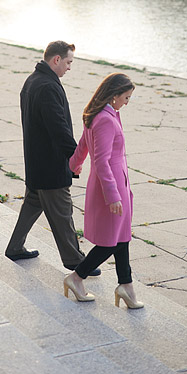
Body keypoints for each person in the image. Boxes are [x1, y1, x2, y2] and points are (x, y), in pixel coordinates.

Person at [5, 41, 99, 275]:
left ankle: (15, 247)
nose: (69, 67)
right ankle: (75, 261)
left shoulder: (33, 80)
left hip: (37, 162)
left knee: (32, 204)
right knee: (63, 212)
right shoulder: (47, 86)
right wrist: (75, 158)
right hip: (50, 164)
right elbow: (58, 129)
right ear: (56, 59)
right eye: (68, 62)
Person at [63, 73, 143, 309]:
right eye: (126, 98)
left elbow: (83, 146)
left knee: (122, 236)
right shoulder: (105, 119)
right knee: (111, 242)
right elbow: (101, 160)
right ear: (114, 95)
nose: (127, 102)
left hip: (118, 185)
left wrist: (74, 166)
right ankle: (76, 278)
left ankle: (126, 286)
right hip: (112, 187)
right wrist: (112, 195)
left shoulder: (102, 114)